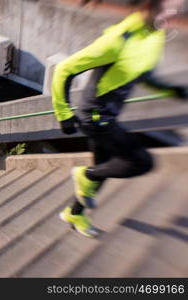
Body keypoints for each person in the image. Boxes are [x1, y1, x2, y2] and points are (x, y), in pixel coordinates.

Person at [51, 0, 188, 238]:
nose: (175, 12)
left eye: (180, 7)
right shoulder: (119, 38)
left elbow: (143, 73)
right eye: (169, 6)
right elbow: (65, 69)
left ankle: (75, 213)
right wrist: (64, 114)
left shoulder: (153, 34)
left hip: (108, 115)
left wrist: (171, 90)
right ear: (152, 5)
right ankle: (85, 176)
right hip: (95, 116)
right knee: (140, 162)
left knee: (104, 167)